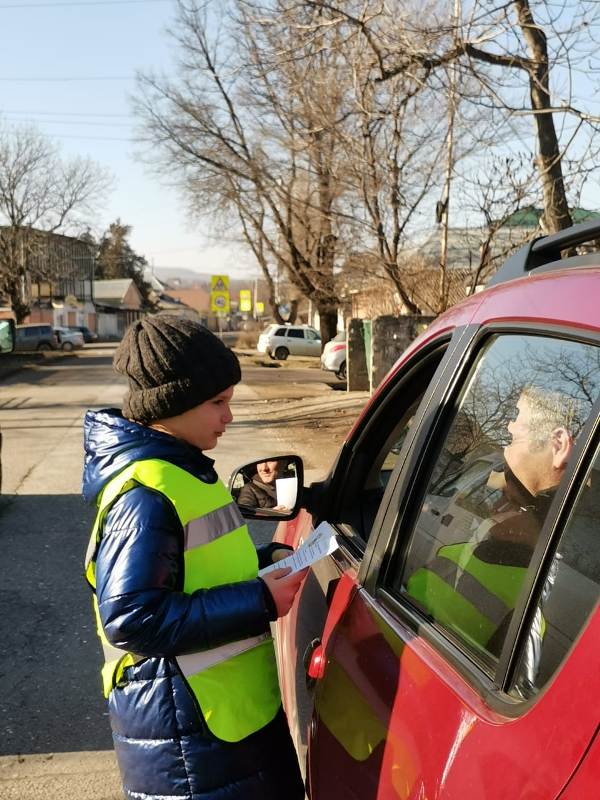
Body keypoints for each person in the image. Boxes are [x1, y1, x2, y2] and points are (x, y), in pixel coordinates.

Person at [82, 316, 306, 800]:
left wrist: (266, 562)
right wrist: (260, 601)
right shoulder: (145, 493)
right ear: (171, 404)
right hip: (186, 735)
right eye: (217, 403)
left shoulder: (185, 472)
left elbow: (198, 568)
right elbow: (131, 616)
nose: (228, 417)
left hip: (222, 721)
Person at [408, 384, 577, 663]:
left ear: (558, 444)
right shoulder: (552, 530)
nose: (508, 428)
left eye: (516, 424)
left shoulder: (534, 554)